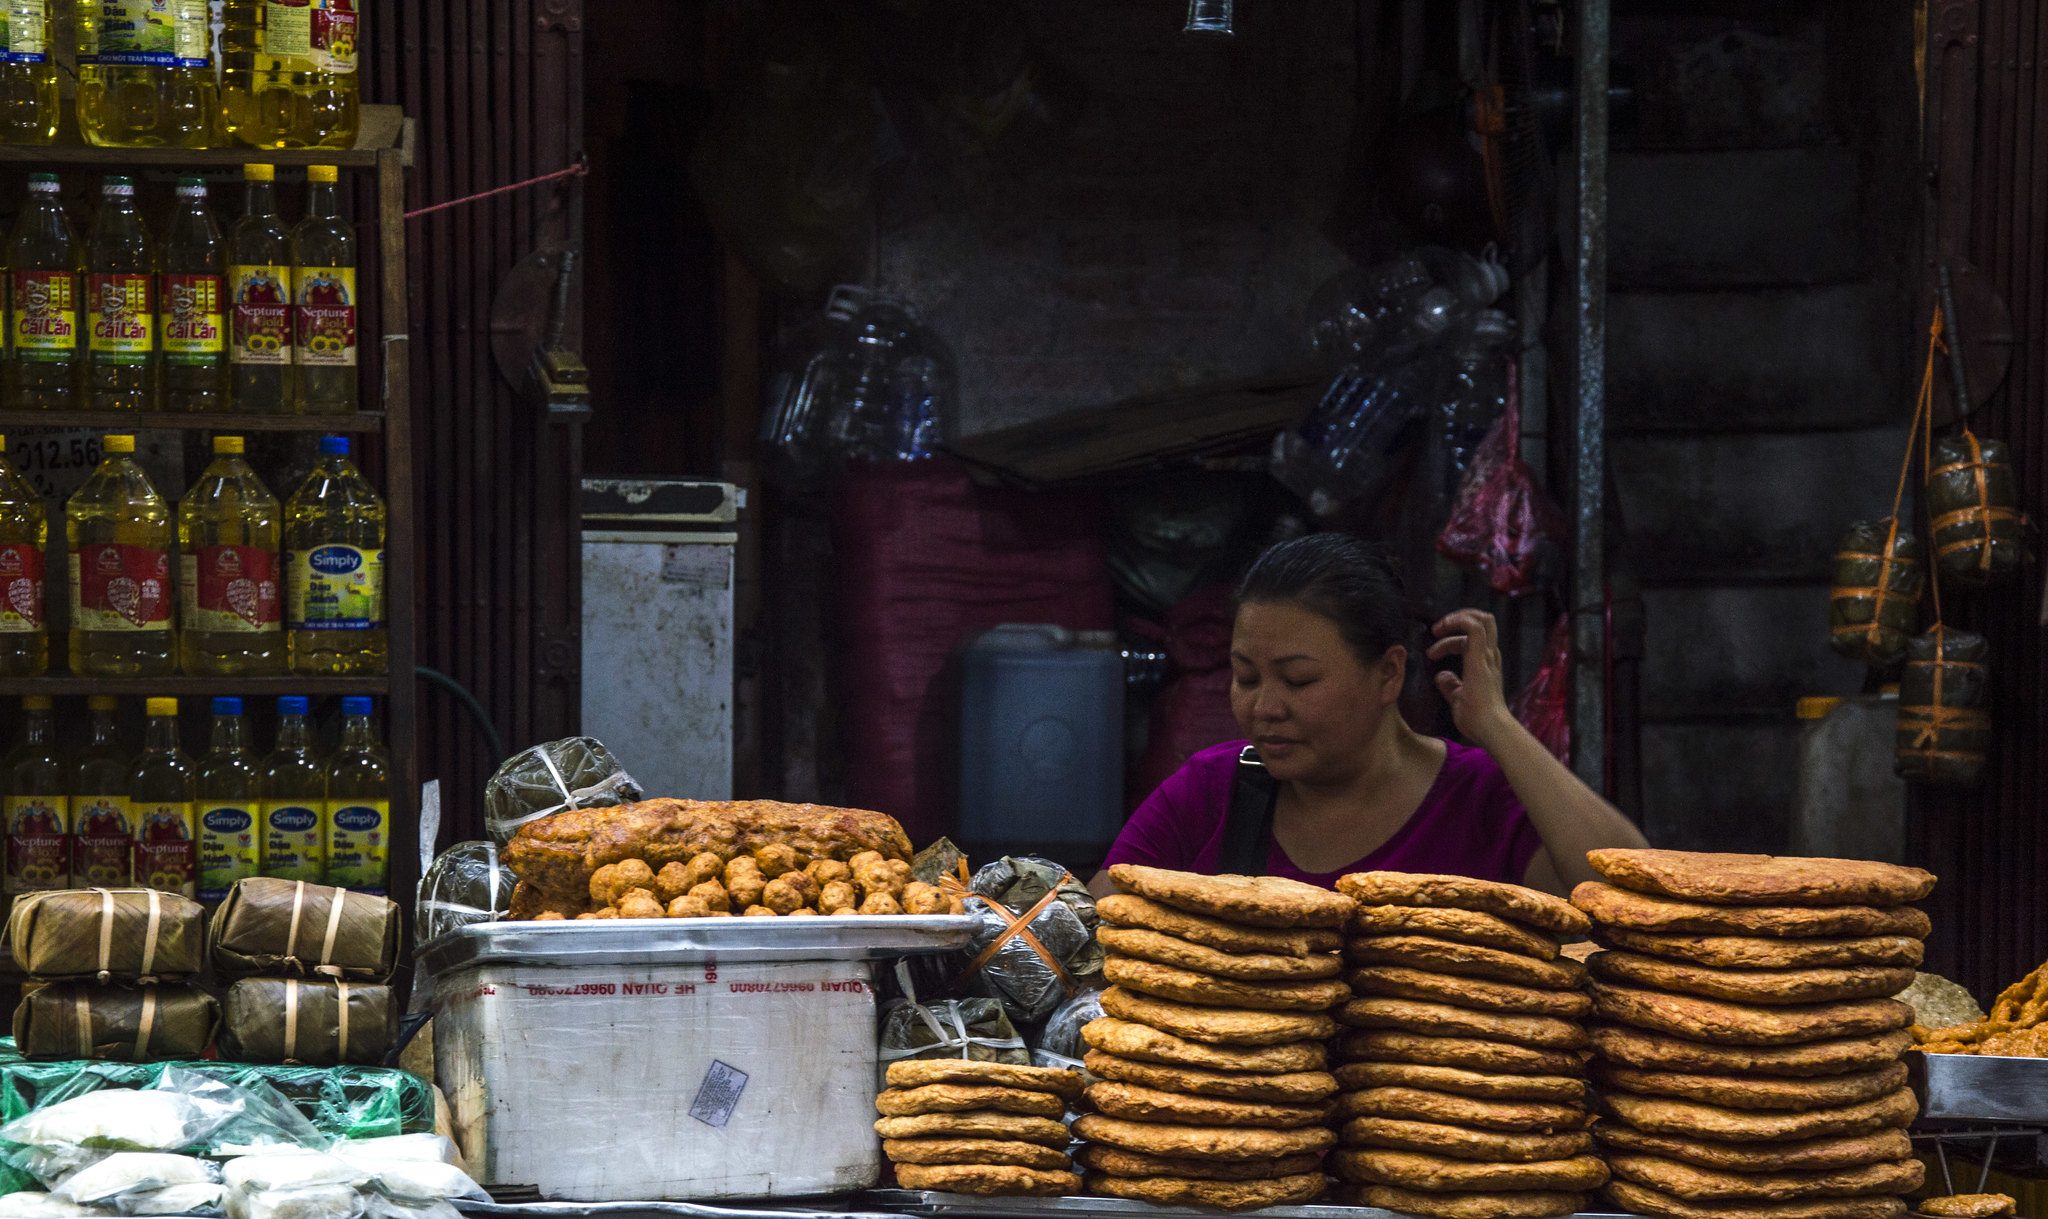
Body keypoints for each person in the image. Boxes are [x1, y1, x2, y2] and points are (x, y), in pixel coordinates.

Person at [1091, 532, 1646, 898]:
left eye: (1299, 679)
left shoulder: (1480, 799)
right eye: (1247, 677)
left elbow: (1634, 897)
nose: (1264, 708)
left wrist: (1497, 725)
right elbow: (1092, 934)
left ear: (1388, 673)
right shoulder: (1210, 792)